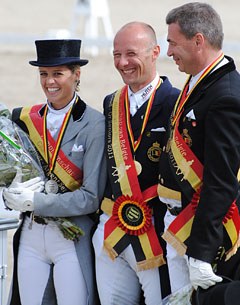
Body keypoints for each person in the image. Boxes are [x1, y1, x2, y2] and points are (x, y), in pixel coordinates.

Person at [2, 39, 106, 305]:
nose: (50, 82)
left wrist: (37, 202)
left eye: (58, 73)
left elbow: (90, 197)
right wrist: (10, 194)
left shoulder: (95, 124)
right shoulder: (24, 118)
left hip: (71, 237)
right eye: (44, 74)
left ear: (76, 74)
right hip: (31, 235)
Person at [157, 2, 240, 304]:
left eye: (172, 43)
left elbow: (221, 180)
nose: (168, 52)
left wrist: (201, 254)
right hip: (178, 225)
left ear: (198, 41)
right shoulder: (201, 80)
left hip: (199, 233)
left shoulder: (225, 96)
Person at [92, 21, 180, 305]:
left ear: (155, 52)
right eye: (116, 55)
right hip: (113, 230)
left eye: (131, 54)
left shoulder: (175, 102)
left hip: (155, 233)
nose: (123, 62)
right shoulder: (110, 103)